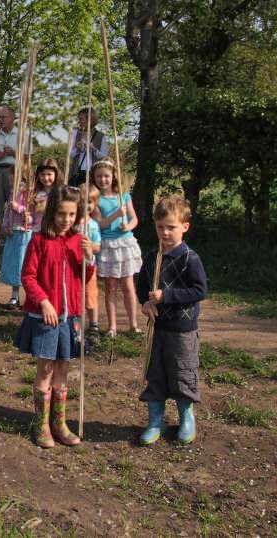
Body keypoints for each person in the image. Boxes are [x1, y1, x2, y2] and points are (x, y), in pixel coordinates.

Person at [15, 185, 92, 448]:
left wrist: (89, 259)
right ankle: (41, 425)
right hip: (46, 316)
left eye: (72, 214)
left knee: (63, 366)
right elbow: (28, 276)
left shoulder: (77, 241)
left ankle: (59, 423)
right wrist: (44, 302)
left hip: (71, 316)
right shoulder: (39, 240)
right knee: (46, 368)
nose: (66, 220)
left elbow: (84, 277)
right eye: (61, 214)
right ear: (51, 213)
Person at [137, 195, 208, 446]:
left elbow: (200, 290)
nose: (165, 232)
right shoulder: (152, 257)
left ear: (184, 227)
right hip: (158, 328)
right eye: (160, 227)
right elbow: (142, 286)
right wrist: (145, 304)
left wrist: (166, 296)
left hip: (183, 329)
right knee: (155, 373)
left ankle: (186, 417)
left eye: (171, 227)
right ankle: (155, 420)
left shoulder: (190, 258)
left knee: (183, 373)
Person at [92, 159, 141, 336]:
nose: (103, 179)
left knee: (128, 286)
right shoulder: (95, 199)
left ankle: (133, 324)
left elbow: (134, 218)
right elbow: (100, 224)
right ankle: (112, 326)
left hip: (125, 243)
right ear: (94, 178)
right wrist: (116, 215)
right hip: (108, 245)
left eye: (106, 176)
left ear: (113, 177)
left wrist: (129, 226)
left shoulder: (124, 196)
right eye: (99, 176)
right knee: (111, 287)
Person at [0, 164, 32, 307]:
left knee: (24, 265)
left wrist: (18, 208)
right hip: (13, 232)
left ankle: (29, 296)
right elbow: (8, 211)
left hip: (25, 233)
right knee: (14, 265)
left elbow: (31, 215)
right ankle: (14, 296)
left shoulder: (30, 193)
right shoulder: (13, 191)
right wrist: (5, 225)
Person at [80, 185, 103, 339]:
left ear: (94, 204)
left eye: (89, 202)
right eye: (82, 201)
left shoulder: (94, 225)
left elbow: (98, 247)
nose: (85, 205)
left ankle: (93, 324)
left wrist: (90, 246)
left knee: (90, 294)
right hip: (72, 265)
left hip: (88, 265)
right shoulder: (72, 223)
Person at [67, 106, 110, 188]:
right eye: (79, 119)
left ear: (90, 119)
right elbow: (69, 155)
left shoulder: (100, 136)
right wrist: (78, 149)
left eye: (81, 119)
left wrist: (94, 149)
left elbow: (105, 157)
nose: (79, 121)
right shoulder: (75, 133)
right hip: (77, 173)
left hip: (94, 174)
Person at [0, 107, 21, 221]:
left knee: (14, 202)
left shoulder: (21, 134)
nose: (0, 120)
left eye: (3, 117)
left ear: (12, 118)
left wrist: (13, 153)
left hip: (14, 171)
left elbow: (28, 157)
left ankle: (12, 230)